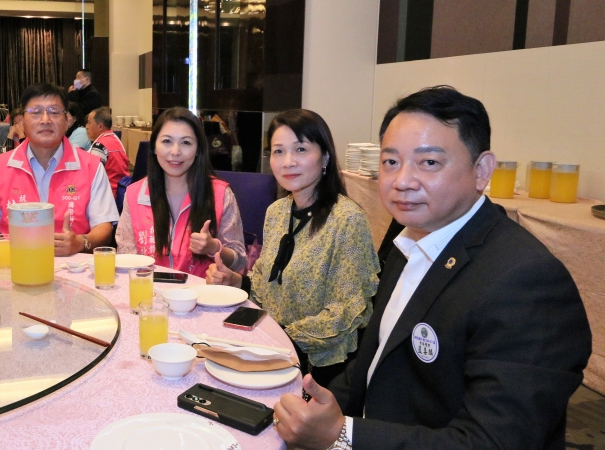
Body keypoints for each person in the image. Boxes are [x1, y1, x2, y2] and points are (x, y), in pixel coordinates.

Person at [272, 86, 592, 450]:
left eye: (429, 163)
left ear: (482, 170)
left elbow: (496, 441)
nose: (402, 181)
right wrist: (315, 409)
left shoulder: (527, 280)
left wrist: (342, 434)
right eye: (391, 162)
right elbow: (372, 362)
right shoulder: (410, 241)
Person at [206, 109, 379, 385]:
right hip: (270, 352)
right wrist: (236, 281)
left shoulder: (347, 219)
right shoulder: (277, 212)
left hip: (318, 368)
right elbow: (266, 288)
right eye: (278, 151)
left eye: (300, 149)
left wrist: (278, 340)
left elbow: (345, 313)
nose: (288, 162)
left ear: (325, 156)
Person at [0, 82, 118, 256]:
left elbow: (104, 227)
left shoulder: (91, 166)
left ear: (67, 121)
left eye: (54, 112)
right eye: (36, 112)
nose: (45, 120)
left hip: (73, 265)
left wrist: (80, 243)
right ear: (22, 121)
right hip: (15, 264)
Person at [116, 106, 247, 277]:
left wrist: (214, 248)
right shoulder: (134, 194)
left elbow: (239, 262)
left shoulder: (220, 194)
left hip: (201, 291)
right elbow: (125, 258)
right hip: (148, 290)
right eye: (167, 141)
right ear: (154, 146)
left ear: (198, 149)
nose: (175, 152)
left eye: (186, 143)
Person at [86, 107, 129, 197]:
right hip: (122, 191)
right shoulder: (116, 140)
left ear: (100, 126)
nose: (87, 126)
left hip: (108, 195)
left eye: (89, 123)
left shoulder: (100, 146)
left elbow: (91, 176)